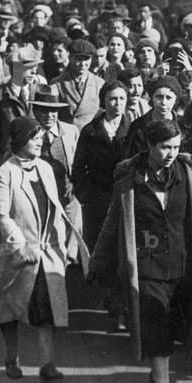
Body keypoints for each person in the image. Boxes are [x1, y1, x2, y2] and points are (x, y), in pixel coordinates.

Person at [88, 119, 192, 383]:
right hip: (145, 267)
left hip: (181, 266)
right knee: (156, 326)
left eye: (176, 147)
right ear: (149, 145)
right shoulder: (130, 180)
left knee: (173, 331)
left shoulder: (187, 175)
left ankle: (157, 377)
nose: (172, 153)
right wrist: (98, 262)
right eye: (165, 147)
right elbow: (113, 223)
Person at [0, 116, 86, 381]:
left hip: (45, 254)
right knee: (10, 308)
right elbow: (2, 216)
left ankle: (48, 364)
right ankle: (11, 358)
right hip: (15, 254)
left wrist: (62, 246)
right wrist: (20, 246)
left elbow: (55, 208)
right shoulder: (4, 173)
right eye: (34, 138)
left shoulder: (45, 168)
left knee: (44, 308)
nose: (39, 143)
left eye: (40, 138)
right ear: (20, 140)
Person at [72, 80, 130, 254]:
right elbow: (79, 168)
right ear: (103, 101)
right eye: (112, 99)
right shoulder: (90, 132)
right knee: (98, 249)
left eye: (121, 98)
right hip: (97, 201)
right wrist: (86, 196)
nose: (117, 103)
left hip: (125, 198)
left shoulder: (134, 130)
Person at [0, 44, 40, 183]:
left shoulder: (38, 92)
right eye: (28, 68)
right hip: (7, 165)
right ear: (16, 68)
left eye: (35, 67)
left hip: (35, 164)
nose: (33, 72)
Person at [124, 75, 181, 158]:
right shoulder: (138, 126)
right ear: (152, 98)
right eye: (159, 97)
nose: (164, 102)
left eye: (169, 98)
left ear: (175, 100)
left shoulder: (183, 125)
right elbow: (129, 160)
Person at [54, 38, 105, 130]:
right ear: (70, 58)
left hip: (91, 137)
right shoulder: (57, 83)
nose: (83, 64)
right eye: (78, 59)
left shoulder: (100, 83)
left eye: (86, 59)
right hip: (66, 135)